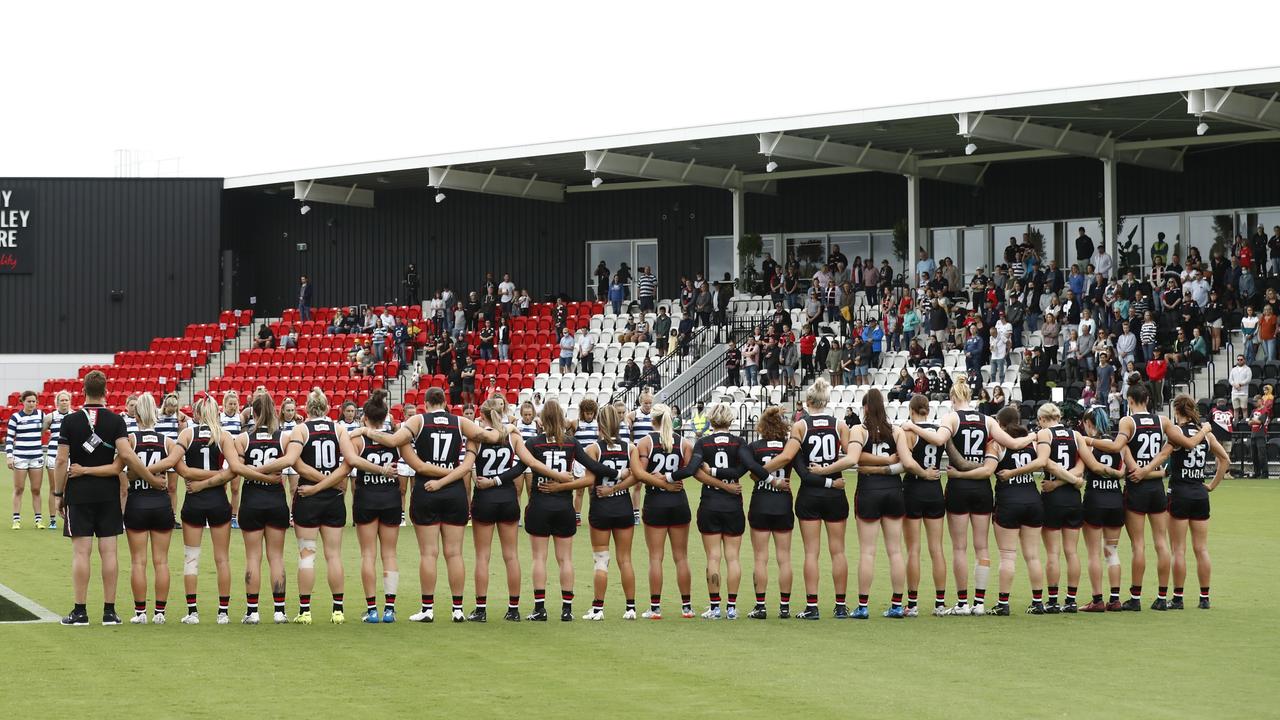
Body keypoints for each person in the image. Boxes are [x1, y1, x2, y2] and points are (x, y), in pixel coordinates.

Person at [362, 387, 499, 623]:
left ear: (425, 403)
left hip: (426, 489)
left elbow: (396, 442)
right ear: (445, 402)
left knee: (429, 553)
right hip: (454, 490)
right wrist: (505, 428)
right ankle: (457, 610)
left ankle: (427, 609)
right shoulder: (458, 421)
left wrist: (365, 431)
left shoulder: (418, 420)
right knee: (454, 553)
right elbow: (489, 437)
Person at [902, 375, 1034, 615]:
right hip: (982, 486)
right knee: (982, 547)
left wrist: (913, 427)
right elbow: (1014, 445)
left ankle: (962, 602)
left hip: (958, 487)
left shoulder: (951, 417)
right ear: (971, 397)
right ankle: (980, 602)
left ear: (953, 397)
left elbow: (939, 439)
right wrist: (1035, 436)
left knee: (960, 548)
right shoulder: (987, 420)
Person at [51, 372, 163, 626]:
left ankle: (80, 611)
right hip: (108, 494)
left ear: (83, 390)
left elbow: (60, 460)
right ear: (106, 392)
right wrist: (152, 478)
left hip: (79, 493)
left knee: (81, 552)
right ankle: (109, 612)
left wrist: (59, 493)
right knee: (109, 551)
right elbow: (126, 455)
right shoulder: (116, 421)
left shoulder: (70, 421)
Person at [1090, 383, 1210, 611]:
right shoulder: (1162, 421)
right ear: (1148, 399)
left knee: (1138, 545)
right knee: (1162, 543)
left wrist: (1087, 441)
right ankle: (1162, 597)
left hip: (1137, 487)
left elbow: (1117, 447)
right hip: (1156, 487)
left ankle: (1135, 598)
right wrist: (1204, 430)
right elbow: (1188, 443)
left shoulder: (1128, 421)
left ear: (1131, 400)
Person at [507, 399, 616, 621]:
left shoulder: (533, 443)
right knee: (565, 558)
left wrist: (494, 481)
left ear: (542, 418)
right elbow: (593, 468)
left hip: (539, 504)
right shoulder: (571, 443)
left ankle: (540, 609)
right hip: (564, 505)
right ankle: (567, 609)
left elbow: (517, 469)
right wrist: (618, 472)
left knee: (539, 558)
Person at [254, 389, 352, 624]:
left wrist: (253, 471)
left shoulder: (301, 430)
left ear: (306, 409)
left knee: (307, 555)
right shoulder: (339, 429)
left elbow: (294, 464)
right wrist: (330, 482)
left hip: (308, 498)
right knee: (334, 555)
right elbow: (348, 462)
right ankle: (338, 610)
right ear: (327, 408)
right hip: (334, 499)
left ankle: (305, 611)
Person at [759, 379, 853, 619]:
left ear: (808, 402)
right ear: (826, 400)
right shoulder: (839, 424)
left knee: (812, 552)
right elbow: (853, 457)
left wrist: (760, 470)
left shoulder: (801, 425)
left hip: (810, 494)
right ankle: (841, 606)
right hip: (835, 491)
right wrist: (830, 469)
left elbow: (787, 456)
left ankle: (812, 606)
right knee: (838, 551)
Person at [1134, 394, 1229, 610]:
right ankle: (1204, 598)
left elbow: (1162, 456)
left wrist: (1144, 470)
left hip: (1179, 493)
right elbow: (1225, 460)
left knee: (1178, 549)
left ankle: (1177, 598)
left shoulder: (1177, 433)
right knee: (1201, 548)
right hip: (1199, 493)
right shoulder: (1206, 436)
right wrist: (1212, 485)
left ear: (1177, 412)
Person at [168, 393, 239, 624]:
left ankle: (192, 612)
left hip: (194, 500)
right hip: (218, 499)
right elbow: (233, 470)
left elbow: (182, 469)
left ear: (196, 413)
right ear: (217, 412)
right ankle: (223, 613)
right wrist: (217, 476)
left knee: (191, 558)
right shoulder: (224, 435)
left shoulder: (187, 434)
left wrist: (198, 482)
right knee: (222, 559)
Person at [631, 403, 701, 619]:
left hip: (655, 501)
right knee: (681, 557)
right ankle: (687, 607)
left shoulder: (645, 442)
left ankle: (655, 608)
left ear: (652, 420)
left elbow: (640, 474)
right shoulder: (684, 443)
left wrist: (661, 483)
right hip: (679, 500)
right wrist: (670, 481)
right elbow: (690, 470)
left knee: (655, 557)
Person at [343, 392, 404, 623]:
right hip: (390, 497)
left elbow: (350, 462)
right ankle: (390, 609)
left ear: (365, 418)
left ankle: (372, 610)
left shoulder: (358, 439)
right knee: (389, 554)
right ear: (385, 416)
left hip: (366, 497)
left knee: (367, 554)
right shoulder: (395, 439)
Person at [233, 392, 293, 624]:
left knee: (253, 558)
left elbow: (237, 470)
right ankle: (279, 611)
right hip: (276, 500)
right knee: (276, 557)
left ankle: (252, 612)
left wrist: (256, 473)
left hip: (252, 500)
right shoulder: (283, 438)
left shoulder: (243, 438)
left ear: (253, 412)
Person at [466, 399, 522, 622]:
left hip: (484, 498)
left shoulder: (477, 437)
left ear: (483, 416)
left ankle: (480, 610)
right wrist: (499, 480)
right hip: (507, 496)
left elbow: (466, 466)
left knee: (482, 556)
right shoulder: (513, 435)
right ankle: (514, 609)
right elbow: (522, 465)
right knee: (511, 556)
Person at [582, 404, 639, 620]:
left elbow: (589, 481)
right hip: (623, 505)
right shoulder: (629, 447)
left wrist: (607, 490)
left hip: (601, 507)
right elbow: (636, 475)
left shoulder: (593, 449)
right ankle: (631, 608)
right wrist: (616, 487)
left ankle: (598, 609)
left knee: (601, 559)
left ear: (599, 423)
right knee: (625, 559)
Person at [738, 407, 796, 619]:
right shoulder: (787, 447)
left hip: (761, 501)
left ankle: (760, 606)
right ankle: (784, 607)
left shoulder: (754, 447)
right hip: (783, 503)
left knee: (760, 558)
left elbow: (752, 474)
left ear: (761, 426)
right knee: (785, 558)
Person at [691, 405, 748, 619]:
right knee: (733, 557)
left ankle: (715, 607)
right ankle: (731, 607)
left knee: (713, 557)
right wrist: (728, 484)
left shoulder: (703, 443)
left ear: (711, 420)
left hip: (710, 503)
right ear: (730, 420)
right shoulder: (738, 442)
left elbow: (695, 471)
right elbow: (743, 469)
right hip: (733, 504)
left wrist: (714, 477)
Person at [901, 394, 949, 616]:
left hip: (914, 488)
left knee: (913, 549)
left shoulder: (909, 432)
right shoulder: (940, 430)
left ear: (911, 410)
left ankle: (912, 604)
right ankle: (940, 603)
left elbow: (906, 464)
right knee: (937, 549)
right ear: (928, 410)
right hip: (935, 489)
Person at [1077, 408, 1126, 612]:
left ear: (1089, 423)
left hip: (1095, 500)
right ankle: (1114, 599)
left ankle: (1097, 600)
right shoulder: (1119, 445)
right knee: (1112, 552)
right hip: (1115, 500)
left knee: (1093, 554)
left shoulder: (1088, 445)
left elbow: (1093, 468)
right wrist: (1117, 474)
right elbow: (1125, 470)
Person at [7, 390, 46, 529]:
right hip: (20, 457)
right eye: (28, 401)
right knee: (19, 489)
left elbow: (47, 429)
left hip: (37, 457)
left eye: (34, 401)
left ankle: (38, 520)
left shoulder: (41, 415)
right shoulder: (15, 417)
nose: (31, 404)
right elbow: (10, 438)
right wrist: (9, 457)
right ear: (22, 402)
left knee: (36, 489)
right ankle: (16, 520)